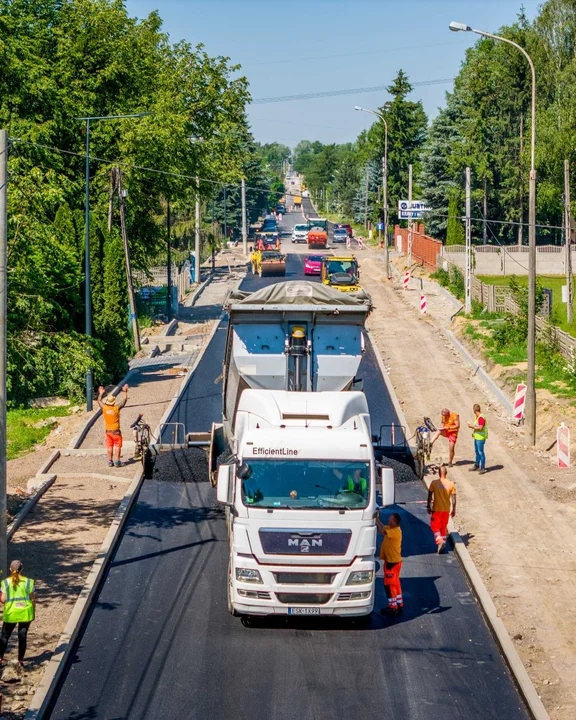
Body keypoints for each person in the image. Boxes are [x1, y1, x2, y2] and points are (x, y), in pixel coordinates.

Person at [0, 560, 35, 667]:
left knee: (5, 636)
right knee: (22, 636)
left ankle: (0, 658)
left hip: (11, 613)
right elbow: (32, 599)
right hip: (25, 613)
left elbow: (3, 599)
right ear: (22, 569)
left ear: (10, 569)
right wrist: (33, 612)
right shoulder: (29, 582)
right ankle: (20, 660)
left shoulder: (5, 582)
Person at [376, 512, 403, 615]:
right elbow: (383, 526)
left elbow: (381, 531)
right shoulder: (393, 528)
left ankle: (393, 606)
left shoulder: (395, 531)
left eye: (390, 519)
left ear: (395, 522)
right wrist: (376, 520)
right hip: (396, 561)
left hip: (391, 562)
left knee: (389, 585)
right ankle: (399, 604)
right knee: (396, 584)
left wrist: (371, 523)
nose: (388, 519)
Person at [97, 384, 129, 467]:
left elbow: (99, 400)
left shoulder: (104, 408)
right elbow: (124, 401)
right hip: (116, 431)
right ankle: (117, 462)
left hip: (108, 431)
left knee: (109, 446)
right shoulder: (116, 408)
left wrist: (101, 393)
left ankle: (110, 461)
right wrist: (125, 391)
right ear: (113, 402)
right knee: (117, 446)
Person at [427, 466, 456, 554]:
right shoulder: (451, 484)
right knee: (443, 527)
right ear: (446, 473)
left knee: (434, 526)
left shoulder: (434, 483)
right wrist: (454, 509)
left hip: (437, 509)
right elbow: (454, 499)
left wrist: (428, 506)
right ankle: (443, 542)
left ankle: (440, 541)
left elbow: (429, 496)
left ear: (439, 473)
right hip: (446, 510)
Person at [468, 403, 488, 474]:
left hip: (480, 438)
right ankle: (476, 465)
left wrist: (472, 427)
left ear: (474, 410)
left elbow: (480, 428)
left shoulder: (481, 417)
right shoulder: (477, 417)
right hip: (477, 437)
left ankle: (482, 467)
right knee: (477, 451)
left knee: (480, 452)